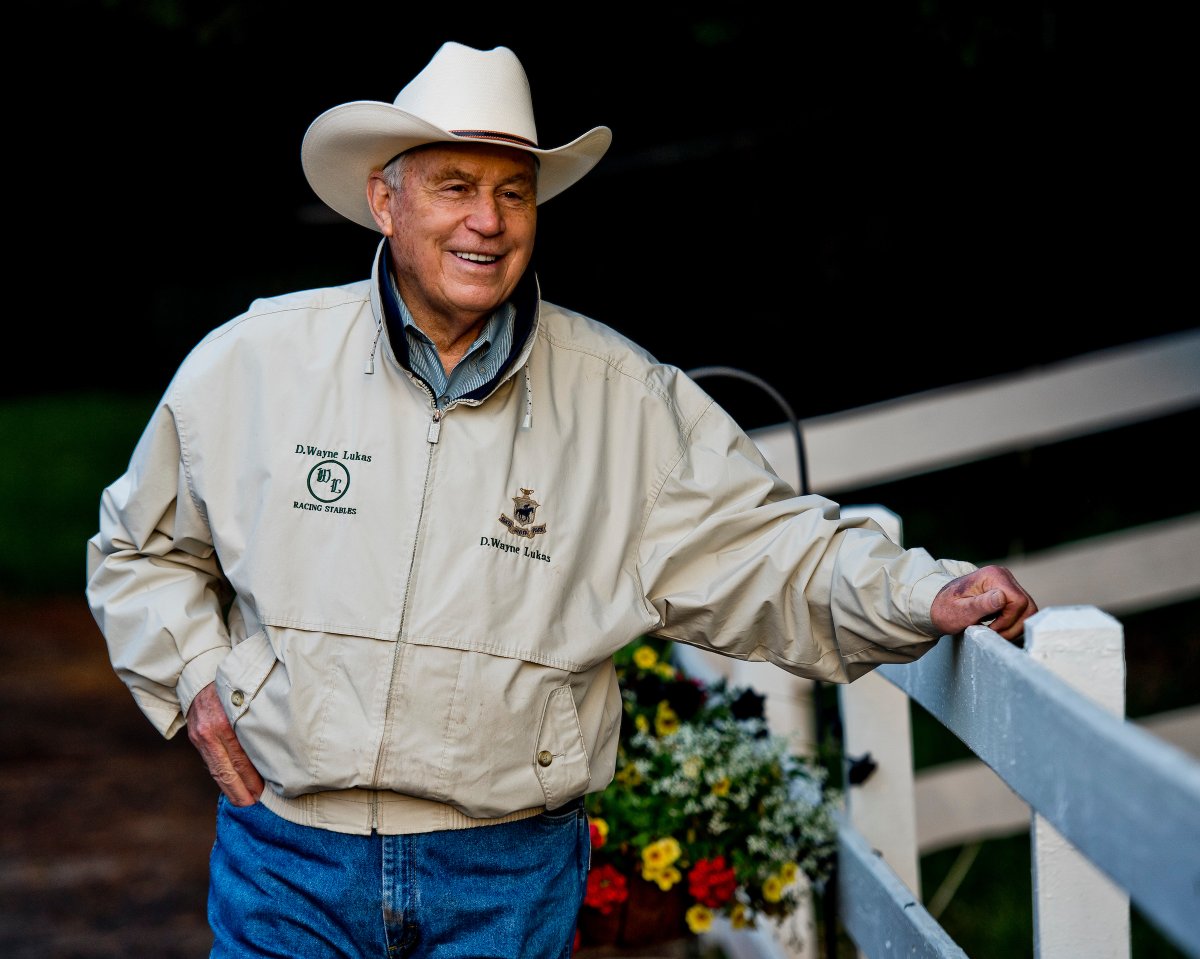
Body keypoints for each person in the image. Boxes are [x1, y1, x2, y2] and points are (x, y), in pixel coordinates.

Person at [85, 40, 1038, 959]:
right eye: (455, 187)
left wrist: (921, 593)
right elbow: (140, 547)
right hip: (289, 854)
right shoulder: (254, 363)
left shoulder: (622, 397)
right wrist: (197, 673)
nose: (487, 221)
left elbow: (768, 551)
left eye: (513, 192)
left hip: (507, 871)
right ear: (385, 199)